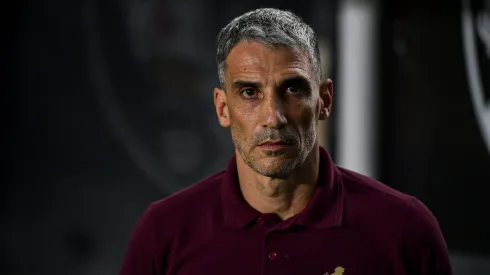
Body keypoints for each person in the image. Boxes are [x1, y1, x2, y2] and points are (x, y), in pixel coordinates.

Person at [119, 8, 453, 275]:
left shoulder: (404, 230)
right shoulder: (165, 232)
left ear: (324, 100)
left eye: (292, 89)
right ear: (223, 108)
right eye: (250, 92)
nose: (273, 116)